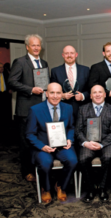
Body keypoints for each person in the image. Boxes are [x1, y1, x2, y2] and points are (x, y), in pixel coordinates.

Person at [26, 83, 78, 203]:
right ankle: (46, 188)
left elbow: (71, 127)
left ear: (62, 94)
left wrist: (69, 139)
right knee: (45, 163)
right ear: (47, 93)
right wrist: (42, 146)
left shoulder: (68, 108)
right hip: (43, 146)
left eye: (58, 93)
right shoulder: (35, 110)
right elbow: (29, 134)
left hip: (63, 145)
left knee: (73, 161)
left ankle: (60, 186)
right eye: (52, 93)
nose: (55, 96)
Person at [8, 34, 48, 182]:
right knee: (26, 142)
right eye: (33, 45)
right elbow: (11, 82)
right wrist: (31, 89)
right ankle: (27, 171)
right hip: (26, 109)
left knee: (40, 139)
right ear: (27, 47)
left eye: (38, 45)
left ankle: (40, 167)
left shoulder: (44, 63)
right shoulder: (20, 62)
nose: (36, 48)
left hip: (41, 108)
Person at [76, 85, 111, 203]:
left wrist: (101, 145)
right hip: (88, 142)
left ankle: (102, 188)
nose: (98, 94)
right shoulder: (83, 109)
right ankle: (90, 188)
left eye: (100, 92)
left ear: (105, 94)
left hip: (106, 143)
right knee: (83, 159)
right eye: (94, 92)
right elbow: (78, 130)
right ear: (90, 96)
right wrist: (85, 143)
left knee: (109, 157)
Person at [50, 45, 89, 120]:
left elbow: (90, 89)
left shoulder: (86, 70)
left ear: (76, 54)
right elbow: (52, 91)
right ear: (63, 55)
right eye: (66, 53)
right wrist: (62, 95)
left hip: (81, 109)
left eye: (71, 53)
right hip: (63, 109)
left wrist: (83, 96)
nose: (69, 55)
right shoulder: (55, 71)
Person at [88, 42, 111, 108]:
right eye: (108, 51)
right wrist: (107, 93)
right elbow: (92, 86)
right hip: (104, 104)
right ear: (104, 53)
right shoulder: (96, 67)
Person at [0, 62, 12, 135]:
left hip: (5, 95)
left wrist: (10, 89)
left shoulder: (6, 75)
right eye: (0, 67)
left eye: (2, 67)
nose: (1, 69)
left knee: (6, 112)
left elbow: (10, 83)